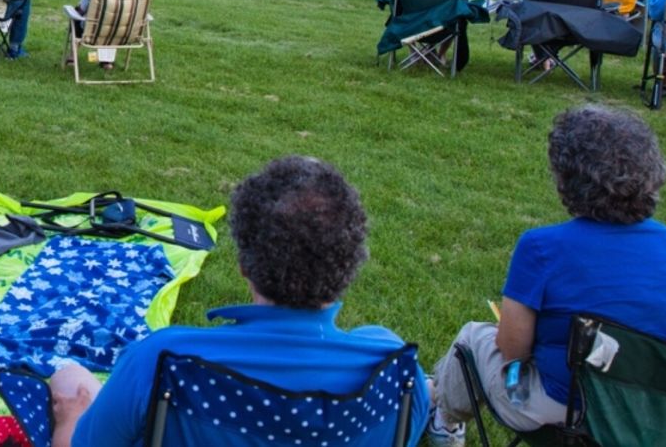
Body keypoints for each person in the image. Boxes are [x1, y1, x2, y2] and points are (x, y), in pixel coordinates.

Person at [52, 156, 429, 447]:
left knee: (70, 379)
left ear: (244, 266)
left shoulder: (162, 358)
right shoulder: (396, 369)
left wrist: (70, 419)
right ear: (350, 265)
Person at [429, 107, 666, 444]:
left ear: (566, 178)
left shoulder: (542, 247)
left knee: (473, 337)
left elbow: (512, 351)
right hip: (662, 418)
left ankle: (443, 416)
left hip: (571, 413)